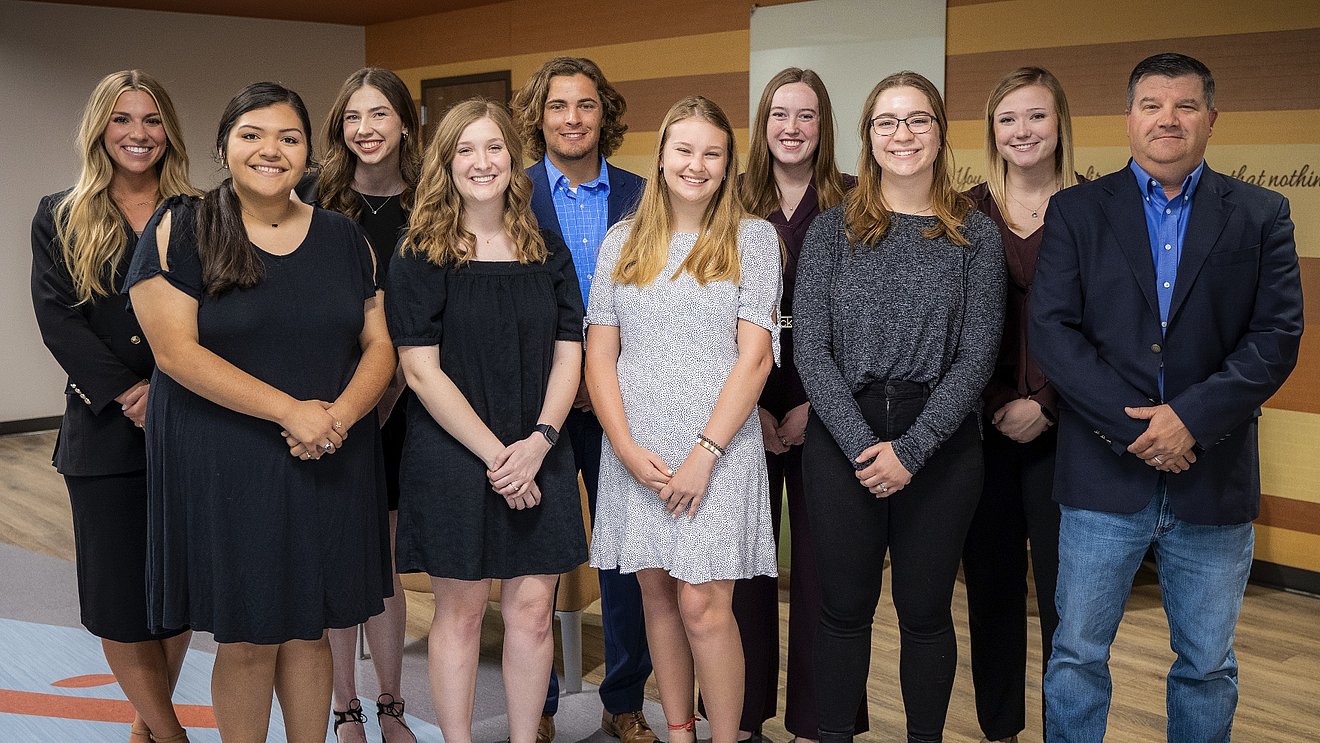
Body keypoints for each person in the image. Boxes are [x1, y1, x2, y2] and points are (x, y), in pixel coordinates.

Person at [1031, 53, 1303, 742]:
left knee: (1207, 663)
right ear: (1128, 119)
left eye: (1185, 106)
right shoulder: (1076, 211)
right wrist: (1137, 429)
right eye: (1152, 104)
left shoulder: (1262, 213)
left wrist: (1190, 420)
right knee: (1076, 655)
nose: (1169, 119)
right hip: (1101, 477)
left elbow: (1274, 337)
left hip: (1212, 478)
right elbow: (1054, 333)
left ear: (1211, 118)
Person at [125, 82, 396, 743]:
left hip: (328, 457)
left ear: (309, 152)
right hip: (227, 460)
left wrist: (335, 418)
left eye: (289, 136)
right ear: (223, 146)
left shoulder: (343, 238)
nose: (270, 149)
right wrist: (292, 412)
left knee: (310, 630)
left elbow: (380, 344)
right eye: (251, 134)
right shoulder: (179, 227)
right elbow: (176, 352)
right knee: (246, 637)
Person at [794, 71, 1005, 743]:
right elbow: (811, 352)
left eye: (917, 120)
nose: (902, 134)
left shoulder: (976, 234)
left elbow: (977, 358)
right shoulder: (832, 231)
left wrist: (911, 450)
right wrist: (863, 446)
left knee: (925, 610)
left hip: (939, 446)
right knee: (843, 607)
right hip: (842, 435)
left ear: (941, 133)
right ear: (868, 136)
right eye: (886, 121)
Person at [385, 99, 587, 743]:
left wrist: (540, 443)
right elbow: (419, 371)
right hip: (453, 455)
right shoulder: (420, 252)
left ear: (513, 159)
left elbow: (569, 351)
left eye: (494, 147)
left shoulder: (545, 247)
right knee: (463, 615)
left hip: (540, 449)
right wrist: (500, 455)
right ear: (445, 163)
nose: (481, 162)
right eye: (465, 150)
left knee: (531, 615)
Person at [585, 95, 781, 743]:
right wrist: (623, 445)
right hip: (637, 451)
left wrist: (704, 452)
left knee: (704, 606)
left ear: (728, 165)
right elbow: (601, 354)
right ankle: (679, 731)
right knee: (658, 599)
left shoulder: (752, 238)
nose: (696, 164)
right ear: (662, 156)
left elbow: (754, 361)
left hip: (717, 453)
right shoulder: (621, 242)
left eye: (712, 153)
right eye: (684, 150)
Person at [30, 69, 199, 743]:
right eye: (123, 119)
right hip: (105, 431)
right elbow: (58, 321)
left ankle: (145, 724)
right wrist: (132, 393)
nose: (138, 133)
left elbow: (219, 313)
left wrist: (172, 387)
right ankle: (170, 732)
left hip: (191, 425)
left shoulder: (199, 212)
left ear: (169, 132)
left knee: (178, 596)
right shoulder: (60, 214)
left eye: (152, 119)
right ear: (101, 128)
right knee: (120, 600)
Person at [510, 55, 653, 743]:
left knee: (624, 559)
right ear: (538, 116)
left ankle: (623, 696)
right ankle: (535, 705)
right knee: (536, 560)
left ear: (605, 113)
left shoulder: (642, 195)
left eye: (586, 105)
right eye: (559, 106)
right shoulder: (511, 193)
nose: (573, 118)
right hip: (538, 408)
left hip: (624, 405)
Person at [723, 67, 865, 743]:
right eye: (780, 113)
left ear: (824, 125)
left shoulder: (858, 203)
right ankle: (739, 718)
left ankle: (820, 721)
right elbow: (708, 314)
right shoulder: (730, 199)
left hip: (830, 404)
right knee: (744, 570)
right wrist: (746, 405)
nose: (792, 127)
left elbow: (869, 320)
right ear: (763, 122)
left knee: (822, 571)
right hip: (741, 402)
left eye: (806, 115)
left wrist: (818, 402)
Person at [960, 66, 1080, 743]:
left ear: (1059, 121)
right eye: (1008, 119)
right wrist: (1003, 397)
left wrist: (1050, 403)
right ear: (993, 132)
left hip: (1073, 435)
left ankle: (1065, 728)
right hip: (984, 430)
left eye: (1035, 116)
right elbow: (948, 327)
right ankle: (999, 730)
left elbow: (1109, 327)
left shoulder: (1095, 209)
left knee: (1070, 602)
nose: (1022, 131)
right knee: (993, 593)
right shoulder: (966, 212)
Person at [303, 66, 423, 743]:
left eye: (379, 115)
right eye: (353, 117)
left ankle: (391, 703)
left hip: (406, 405)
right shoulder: (314, 198)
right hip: (327, 404)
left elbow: (434, 312)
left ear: (405, 122)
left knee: (380, 558)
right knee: (336, 557)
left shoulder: (434, 201)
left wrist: (383, 395)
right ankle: (345, 708)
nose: (366, 129)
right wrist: (342, 406)